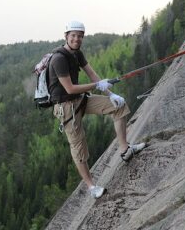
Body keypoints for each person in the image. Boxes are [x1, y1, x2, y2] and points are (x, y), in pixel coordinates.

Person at [49, 20, 146, 199]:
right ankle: (91, 187)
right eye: (73, 36)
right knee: (79, 148)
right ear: (66, 36)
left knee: (118, 106)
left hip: (80, 100)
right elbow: (69, 88)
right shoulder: (59, 59)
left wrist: (110, 94)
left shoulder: (77, 54)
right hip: (66, 107)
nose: (76, 39)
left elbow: (92, 74)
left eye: (80, 36)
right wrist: (96, 85)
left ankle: (125, 150)